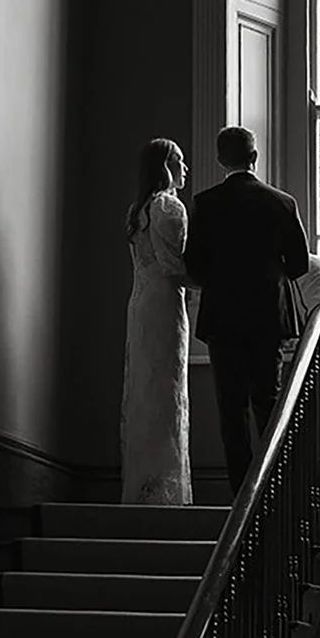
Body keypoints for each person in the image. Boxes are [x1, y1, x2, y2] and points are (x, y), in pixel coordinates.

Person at [184, 126, 312, 497]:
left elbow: (194, 267)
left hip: (222, 319)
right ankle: (275, 488)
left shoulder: (206, 203)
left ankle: (241, 494)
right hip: (266, 317)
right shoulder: (282, 202)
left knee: (231, 410)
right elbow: (300, 264)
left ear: (221, 160)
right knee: (269, 404)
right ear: (254, 157)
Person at [120, 138, 194, 505]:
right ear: (165, 165)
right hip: (164, 304)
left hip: (140, 303)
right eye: (179, 161)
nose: (186, 167)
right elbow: (174, 268)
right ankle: (164, 492)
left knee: (145, 388)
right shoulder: (168, 206)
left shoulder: (139, 209)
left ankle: (145, 485)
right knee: (165, 390)